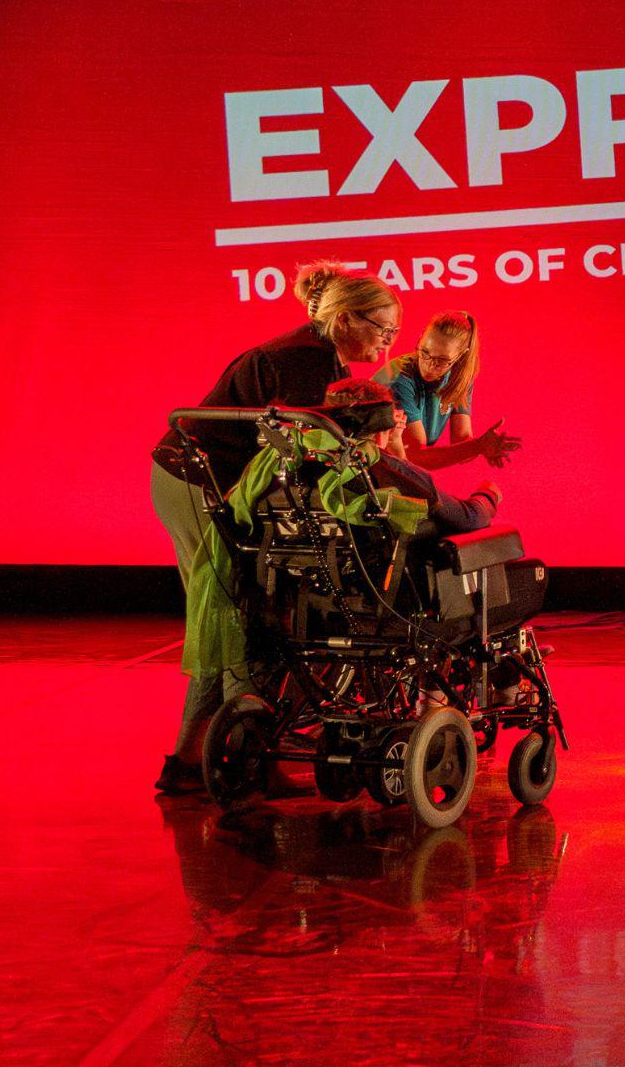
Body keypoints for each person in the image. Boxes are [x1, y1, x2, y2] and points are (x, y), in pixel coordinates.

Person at [151, 260, 402, 794]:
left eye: (394, 332)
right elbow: (298, 452)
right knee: (233, 611)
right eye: (382, 329)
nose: (388, 342)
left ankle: (206, 757)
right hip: (197, 479)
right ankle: (226, 761)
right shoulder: (300, 362)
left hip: (224, 481)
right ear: (344, 321)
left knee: (243, 611)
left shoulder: (324, 361)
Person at [323, 378, 502, 533]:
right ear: (382, 425)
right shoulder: (383, 466)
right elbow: (468, 519)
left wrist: (394, 444)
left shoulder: (318, 463)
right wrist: (489, 494)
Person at [372, 310, 521, 470]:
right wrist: (477, 446)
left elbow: (462, 443)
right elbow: (416, 457)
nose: (429, 364)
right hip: (368, 464)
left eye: (442, 360)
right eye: (424, 351)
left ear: (460, 357)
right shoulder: (399, 380)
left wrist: (482, 446)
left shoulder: (459, 376)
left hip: (397, 467)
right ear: (421, 338)